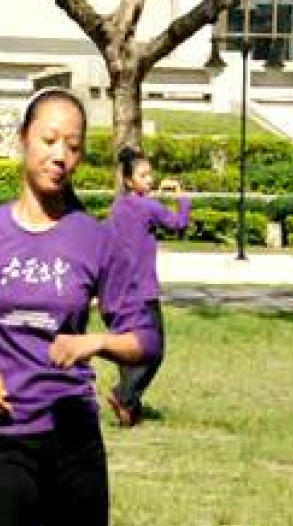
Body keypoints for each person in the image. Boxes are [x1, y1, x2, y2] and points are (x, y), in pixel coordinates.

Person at [0, 87, 159, 526]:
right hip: (0, 436)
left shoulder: (96, 240)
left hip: (73, 439)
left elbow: (146, 340)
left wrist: (95, 342)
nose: (60, 155)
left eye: (73, 146)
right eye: (49, 140)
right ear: (23, 139)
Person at [104, 147, 192, 427]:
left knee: (127, 352)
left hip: (115, 293)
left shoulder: (117, 208)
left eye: (150, 175)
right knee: (154, 350)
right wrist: (181, 197)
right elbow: (179, 224)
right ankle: (124, 395)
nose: (149, 180)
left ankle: (130, 411)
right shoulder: (147, 207)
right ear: (129, 181)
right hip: (142, 292)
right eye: (143, 176)